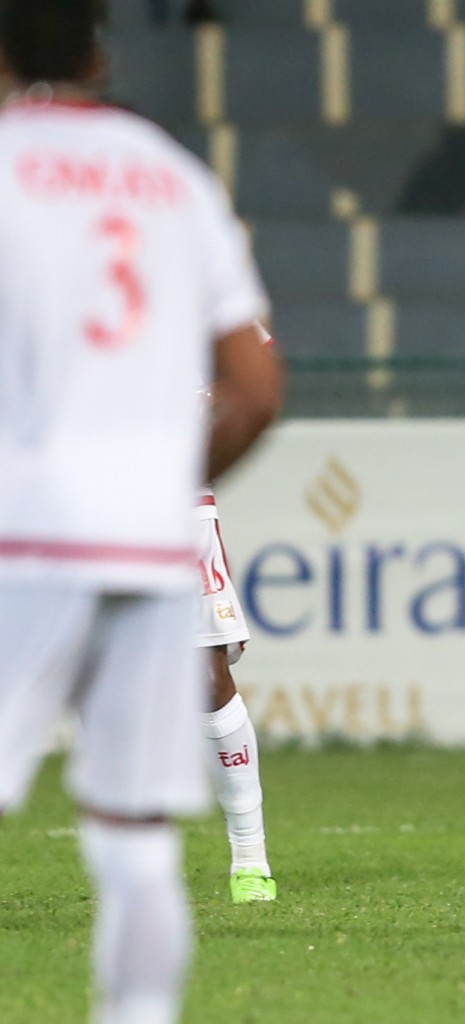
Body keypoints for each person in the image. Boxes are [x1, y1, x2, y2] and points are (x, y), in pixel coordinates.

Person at [0, 4, 283, 1024]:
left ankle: (253, 859)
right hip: (149, 531)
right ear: (100, 52)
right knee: (134, 836)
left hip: (24, 530)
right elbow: (255, 388)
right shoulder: (173, 178)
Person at [197, 491, 275, 903]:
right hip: (76, 497)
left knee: (209, 681)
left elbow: (252, 420)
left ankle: (250, 861)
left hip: (172, 506)